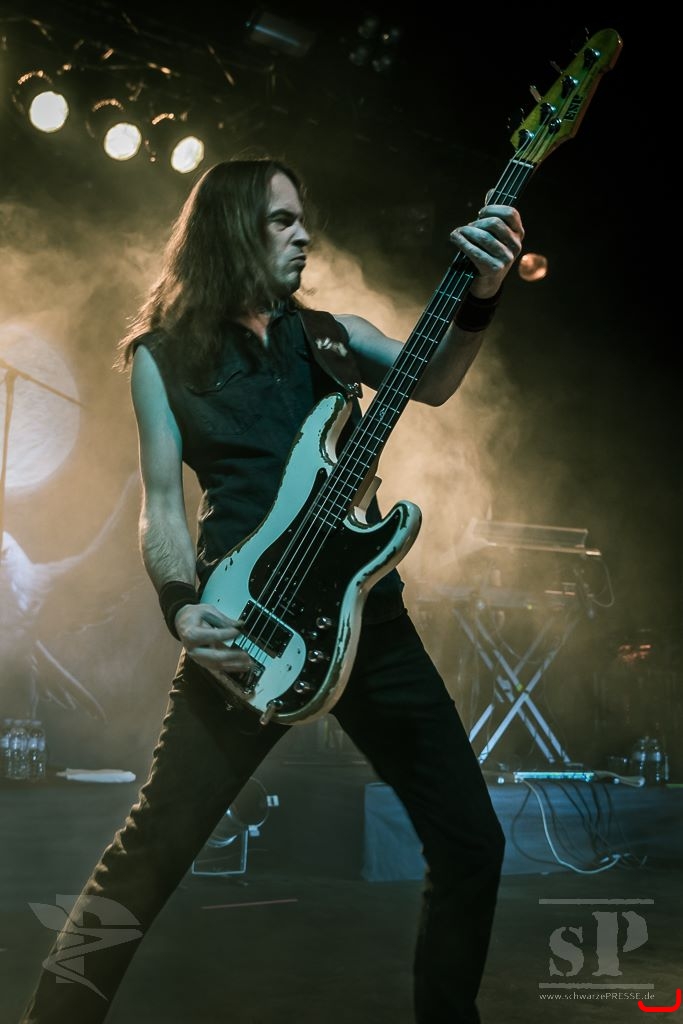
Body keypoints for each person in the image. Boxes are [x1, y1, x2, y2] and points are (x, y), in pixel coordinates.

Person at [20, 157, 524, 1024]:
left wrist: (480, 294)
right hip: (243, 626)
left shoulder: (333, 337)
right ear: (230, 231)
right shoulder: (160, 358)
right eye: (282, 221)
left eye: (302, 219)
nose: (304, 235)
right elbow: (162, 507)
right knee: (146, 859)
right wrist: (181, 606)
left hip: (366, 623)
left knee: (472, 842)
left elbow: (434, 380)